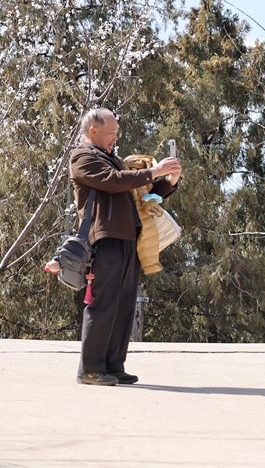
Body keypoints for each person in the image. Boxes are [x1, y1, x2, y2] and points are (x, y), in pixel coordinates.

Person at [69, 108, 181, 386]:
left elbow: (143, 196)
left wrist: (168, 182)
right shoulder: (82, 157)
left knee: (124, 305)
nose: (115, 138)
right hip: (104, 236)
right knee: (103, 304)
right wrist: (154, 170)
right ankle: (91, 368)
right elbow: (113, 182)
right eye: (111, 133)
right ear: (93, 131)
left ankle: (113, 365)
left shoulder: (113, 159)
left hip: (130, 237)